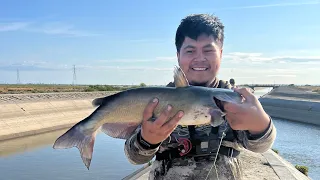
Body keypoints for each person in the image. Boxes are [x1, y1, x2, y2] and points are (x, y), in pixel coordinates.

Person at [124, 14, 276, 180]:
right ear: (178, 55)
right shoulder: (158, 100)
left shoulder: (235, 99)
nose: (199, 58)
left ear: (221, 54)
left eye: (208, 50)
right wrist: (147, 140)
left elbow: (260, 147)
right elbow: (134, 157)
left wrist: (261, 126)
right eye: (190, 51)